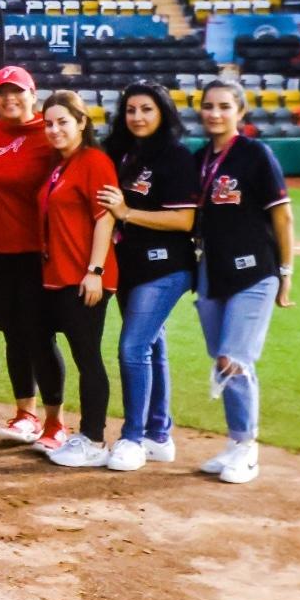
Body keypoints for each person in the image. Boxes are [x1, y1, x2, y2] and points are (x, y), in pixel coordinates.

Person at [191, 78, 294, 485]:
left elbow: (283, 217)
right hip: (213, 273)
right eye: (209, 106)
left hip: (254, 273)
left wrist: (285, 274)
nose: (215, 113)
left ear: (240, 112)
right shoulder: (199, 159)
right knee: (221, 359)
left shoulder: (256, 155)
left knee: (233, 359)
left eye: (224, 106)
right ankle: (235, 444)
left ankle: (248, 448)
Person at [97, 82, 198, 471]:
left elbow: (184, 219)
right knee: (152, 347)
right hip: (131, 265)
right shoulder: (123, 154)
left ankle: (133, 437)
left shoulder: (175, 157)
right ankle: (159, 434)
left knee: (132, 348)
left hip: (166, 266)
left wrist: (126, 213)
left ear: (163, 113)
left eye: (147, 109)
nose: (137, 117)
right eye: (131, 110)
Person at [0, 65, 62, 445]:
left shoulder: (50, 133)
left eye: (18, 91)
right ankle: (25, 413)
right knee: (12, 334)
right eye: (1, 92)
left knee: (39, 335)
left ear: (33, 93)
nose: (10, 98)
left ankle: (55, 422)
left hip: (36, 254)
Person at [38, 91, 120, 468]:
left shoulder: (94, 162)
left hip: (84, 277)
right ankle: (77, 433)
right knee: (50, 345)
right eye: (49, 123)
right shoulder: (61, 166)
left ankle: (93, 438)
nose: (54, 130)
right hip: (58, 277)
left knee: (87, 356)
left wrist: (95, 271)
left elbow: (105, 217)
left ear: (82, 122)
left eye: (63, 122)